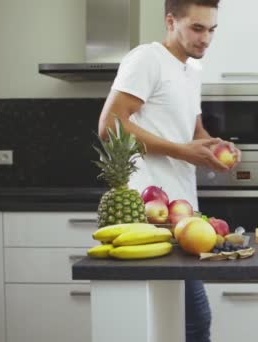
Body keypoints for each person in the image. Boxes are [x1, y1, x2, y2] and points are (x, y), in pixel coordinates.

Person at [97, 0, 239, 340]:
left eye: (212, 30)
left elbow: (193, 133)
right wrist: (182, 151)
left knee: (178, 323)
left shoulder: (191, 70)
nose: (206, 39)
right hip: (149, 208)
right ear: (171, 21)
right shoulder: (148, 59)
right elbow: (110, 126)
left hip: (182, 211)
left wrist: (217, 147)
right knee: (191, 321)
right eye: (197, 28)